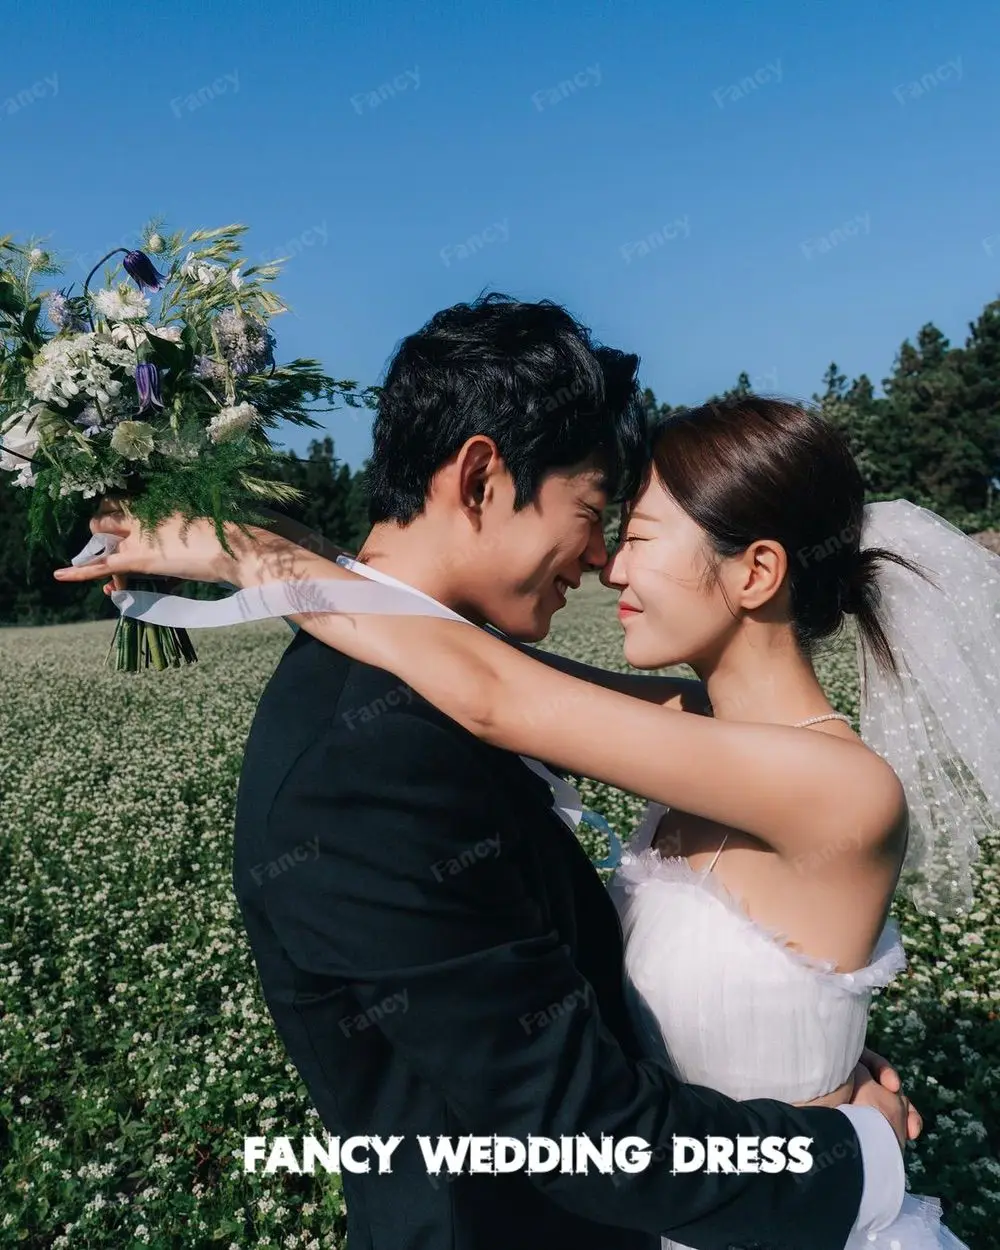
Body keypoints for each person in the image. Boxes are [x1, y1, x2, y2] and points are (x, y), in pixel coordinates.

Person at [57, 297, 922, 1250]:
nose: (600, 563)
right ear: (479, 479)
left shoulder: (456, 676)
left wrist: (800, 1055)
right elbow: (577, 1130)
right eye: (600, 517)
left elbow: (509, 695)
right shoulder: (367, 762)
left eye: (633, 533)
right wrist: (849, 1146)